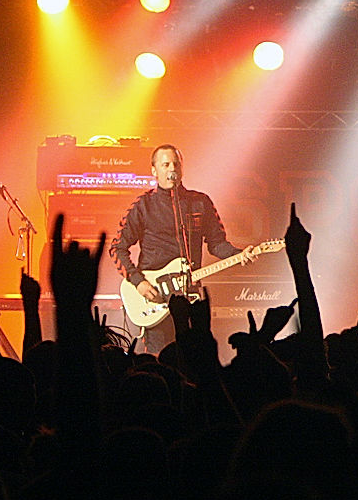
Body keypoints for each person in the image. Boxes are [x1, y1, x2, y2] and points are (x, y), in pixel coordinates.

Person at [110, 144, 258, 354]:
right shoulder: (143, 206)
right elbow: (117, 248)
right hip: (156, 297)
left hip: (191, 295)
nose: (172, 168)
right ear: (154, 170)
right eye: (166, 164)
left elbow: (217, 243)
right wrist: (138, 282)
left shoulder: (200, 202)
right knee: (160, 356)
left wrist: (239, 254)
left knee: (195, 357)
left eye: (176, 164)